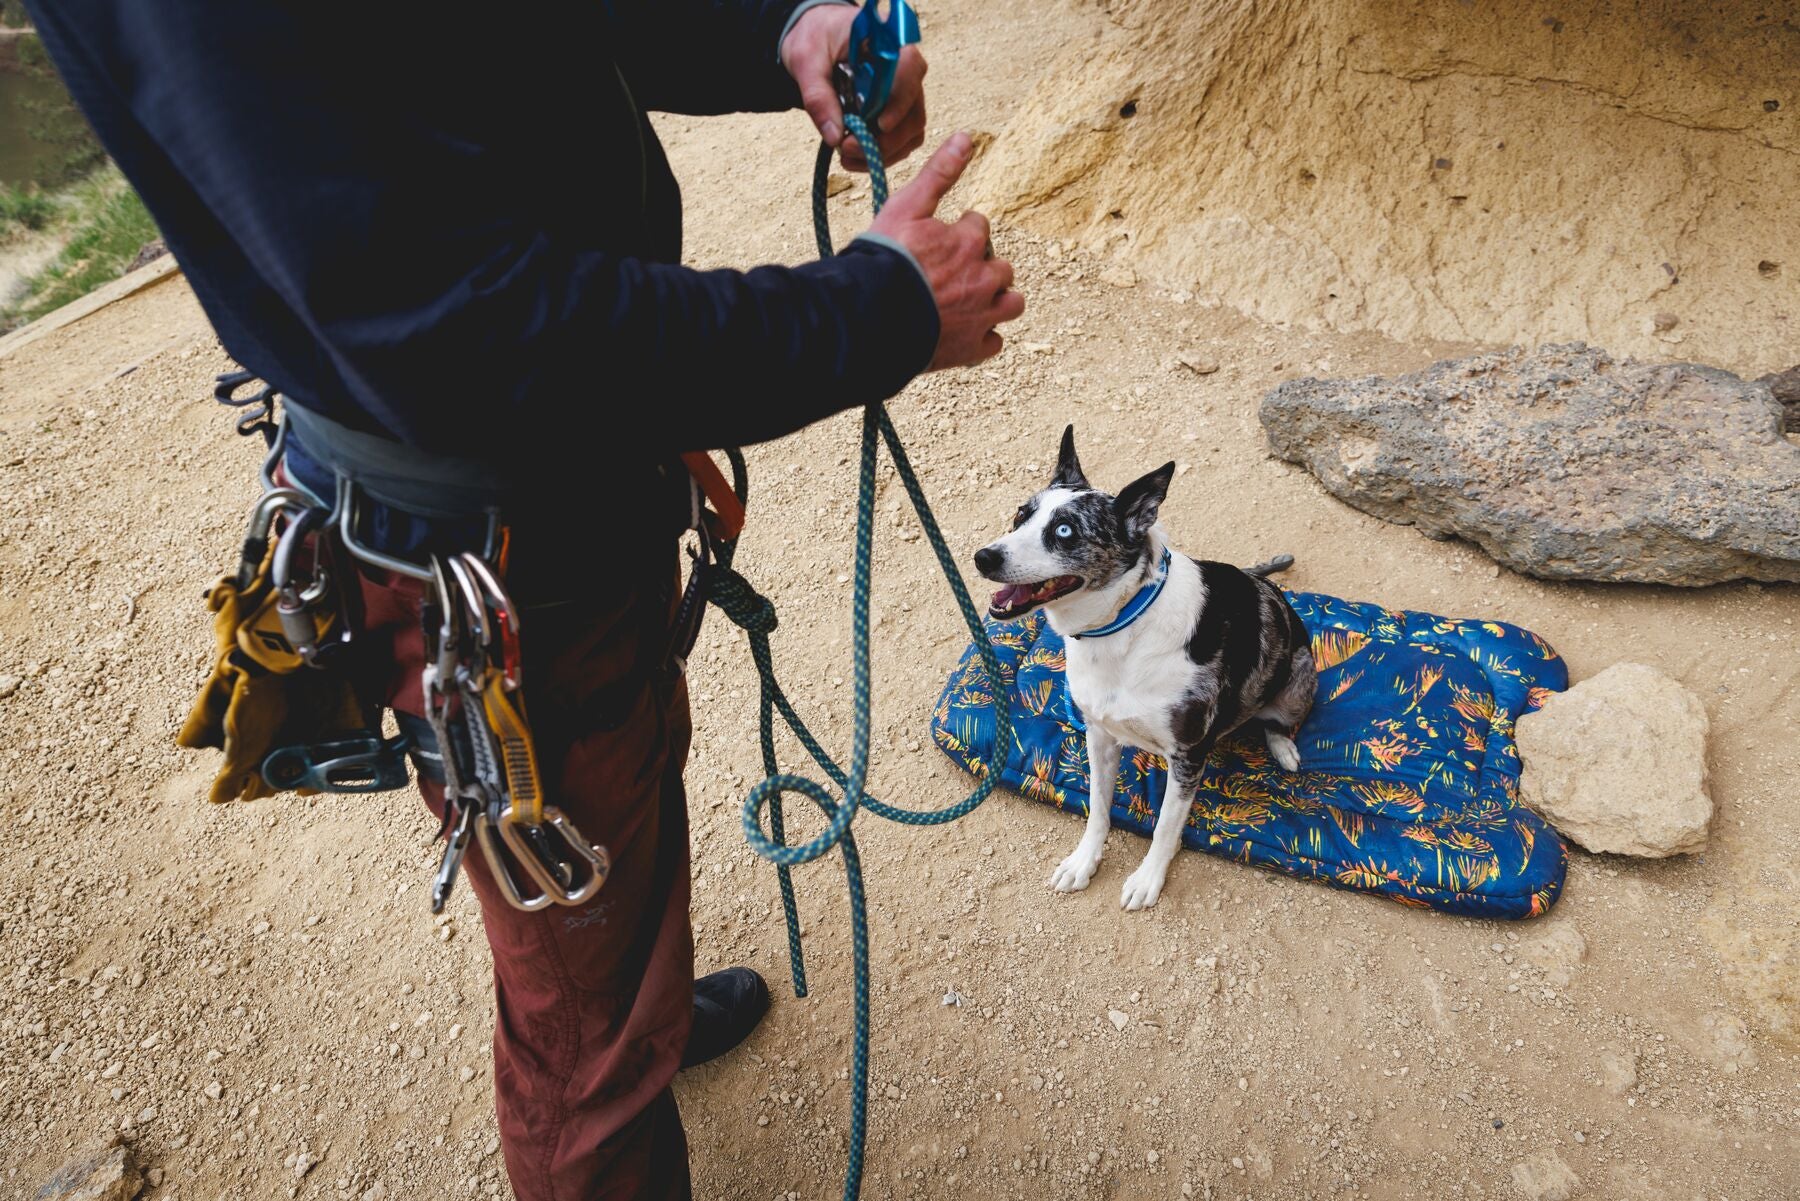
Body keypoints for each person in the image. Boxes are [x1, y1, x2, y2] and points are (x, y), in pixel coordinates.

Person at [21, 2, 1023, 1198]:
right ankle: (608, 1043)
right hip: (496, 528)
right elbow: (454, 330)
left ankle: (624, 988)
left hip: (564, 484)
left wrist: (775, 31)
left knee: (613, 817)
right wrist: (879, 311)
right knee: (577, 997)